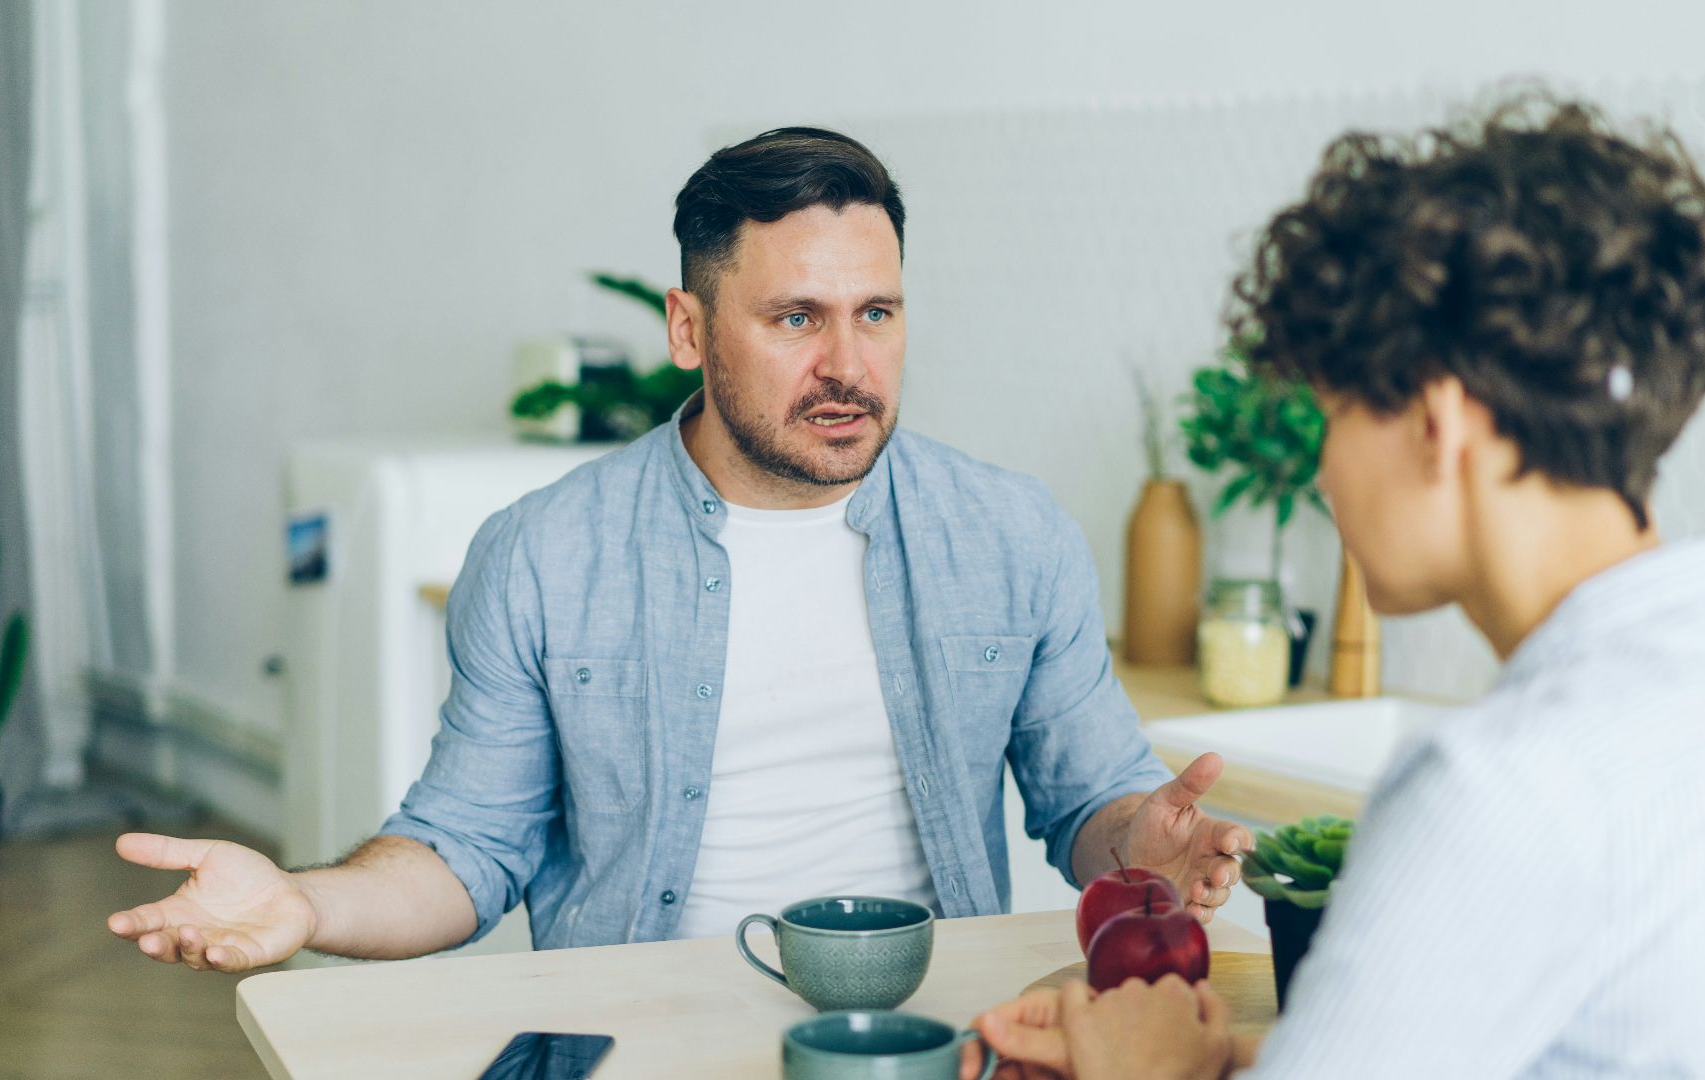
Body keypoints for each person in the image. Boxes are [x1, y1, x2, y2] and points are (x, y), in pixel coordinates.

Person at [105, 127, 1253, 973]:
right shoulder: (546, 556)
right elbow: (464, 851)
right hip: (639, 1036)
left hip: (930, 1035)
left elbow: (1088, 805)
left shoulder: (1011, 536)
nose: (849, 366)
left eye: (879, 314)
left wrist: (1141, 841)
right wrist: (305, 904)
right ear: (689, 328)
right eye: (796, 319)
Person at [972, 95, 1705, 1077]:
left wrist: (1140, 1068)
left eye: (1332, 413)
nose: (1321, 474)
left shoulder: (1500, 786)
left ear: (1435, 425)